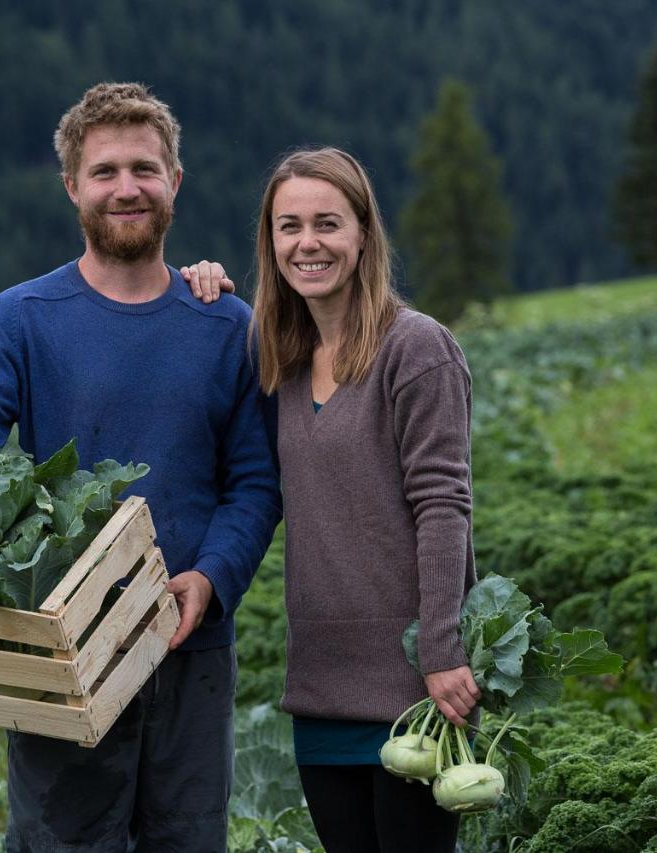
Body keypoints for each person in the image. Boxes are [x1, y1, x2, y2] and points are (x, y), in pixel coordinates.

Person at [0, 82, 282, 852]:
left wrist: (215, 574)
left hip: (186, 651)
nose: (127, 187)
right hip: (61, 652)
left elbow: (255, 481)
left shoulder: (227, 324)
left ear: (175, 183)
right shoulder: (21, 318)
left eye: (145, 168)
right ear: (72, 187)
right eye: (105, 172)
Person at [191, 147, 479, 852]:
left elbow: (444, 502)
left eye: (327, 223)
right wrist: (197, 281)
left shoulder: (416, 348)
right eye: (289, 226)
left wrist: (442, 648)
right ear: (271, 242)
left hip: (412, 685)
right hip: (320, 684)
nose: (308, 242)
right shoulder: (280, 360)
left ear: (363, 235)